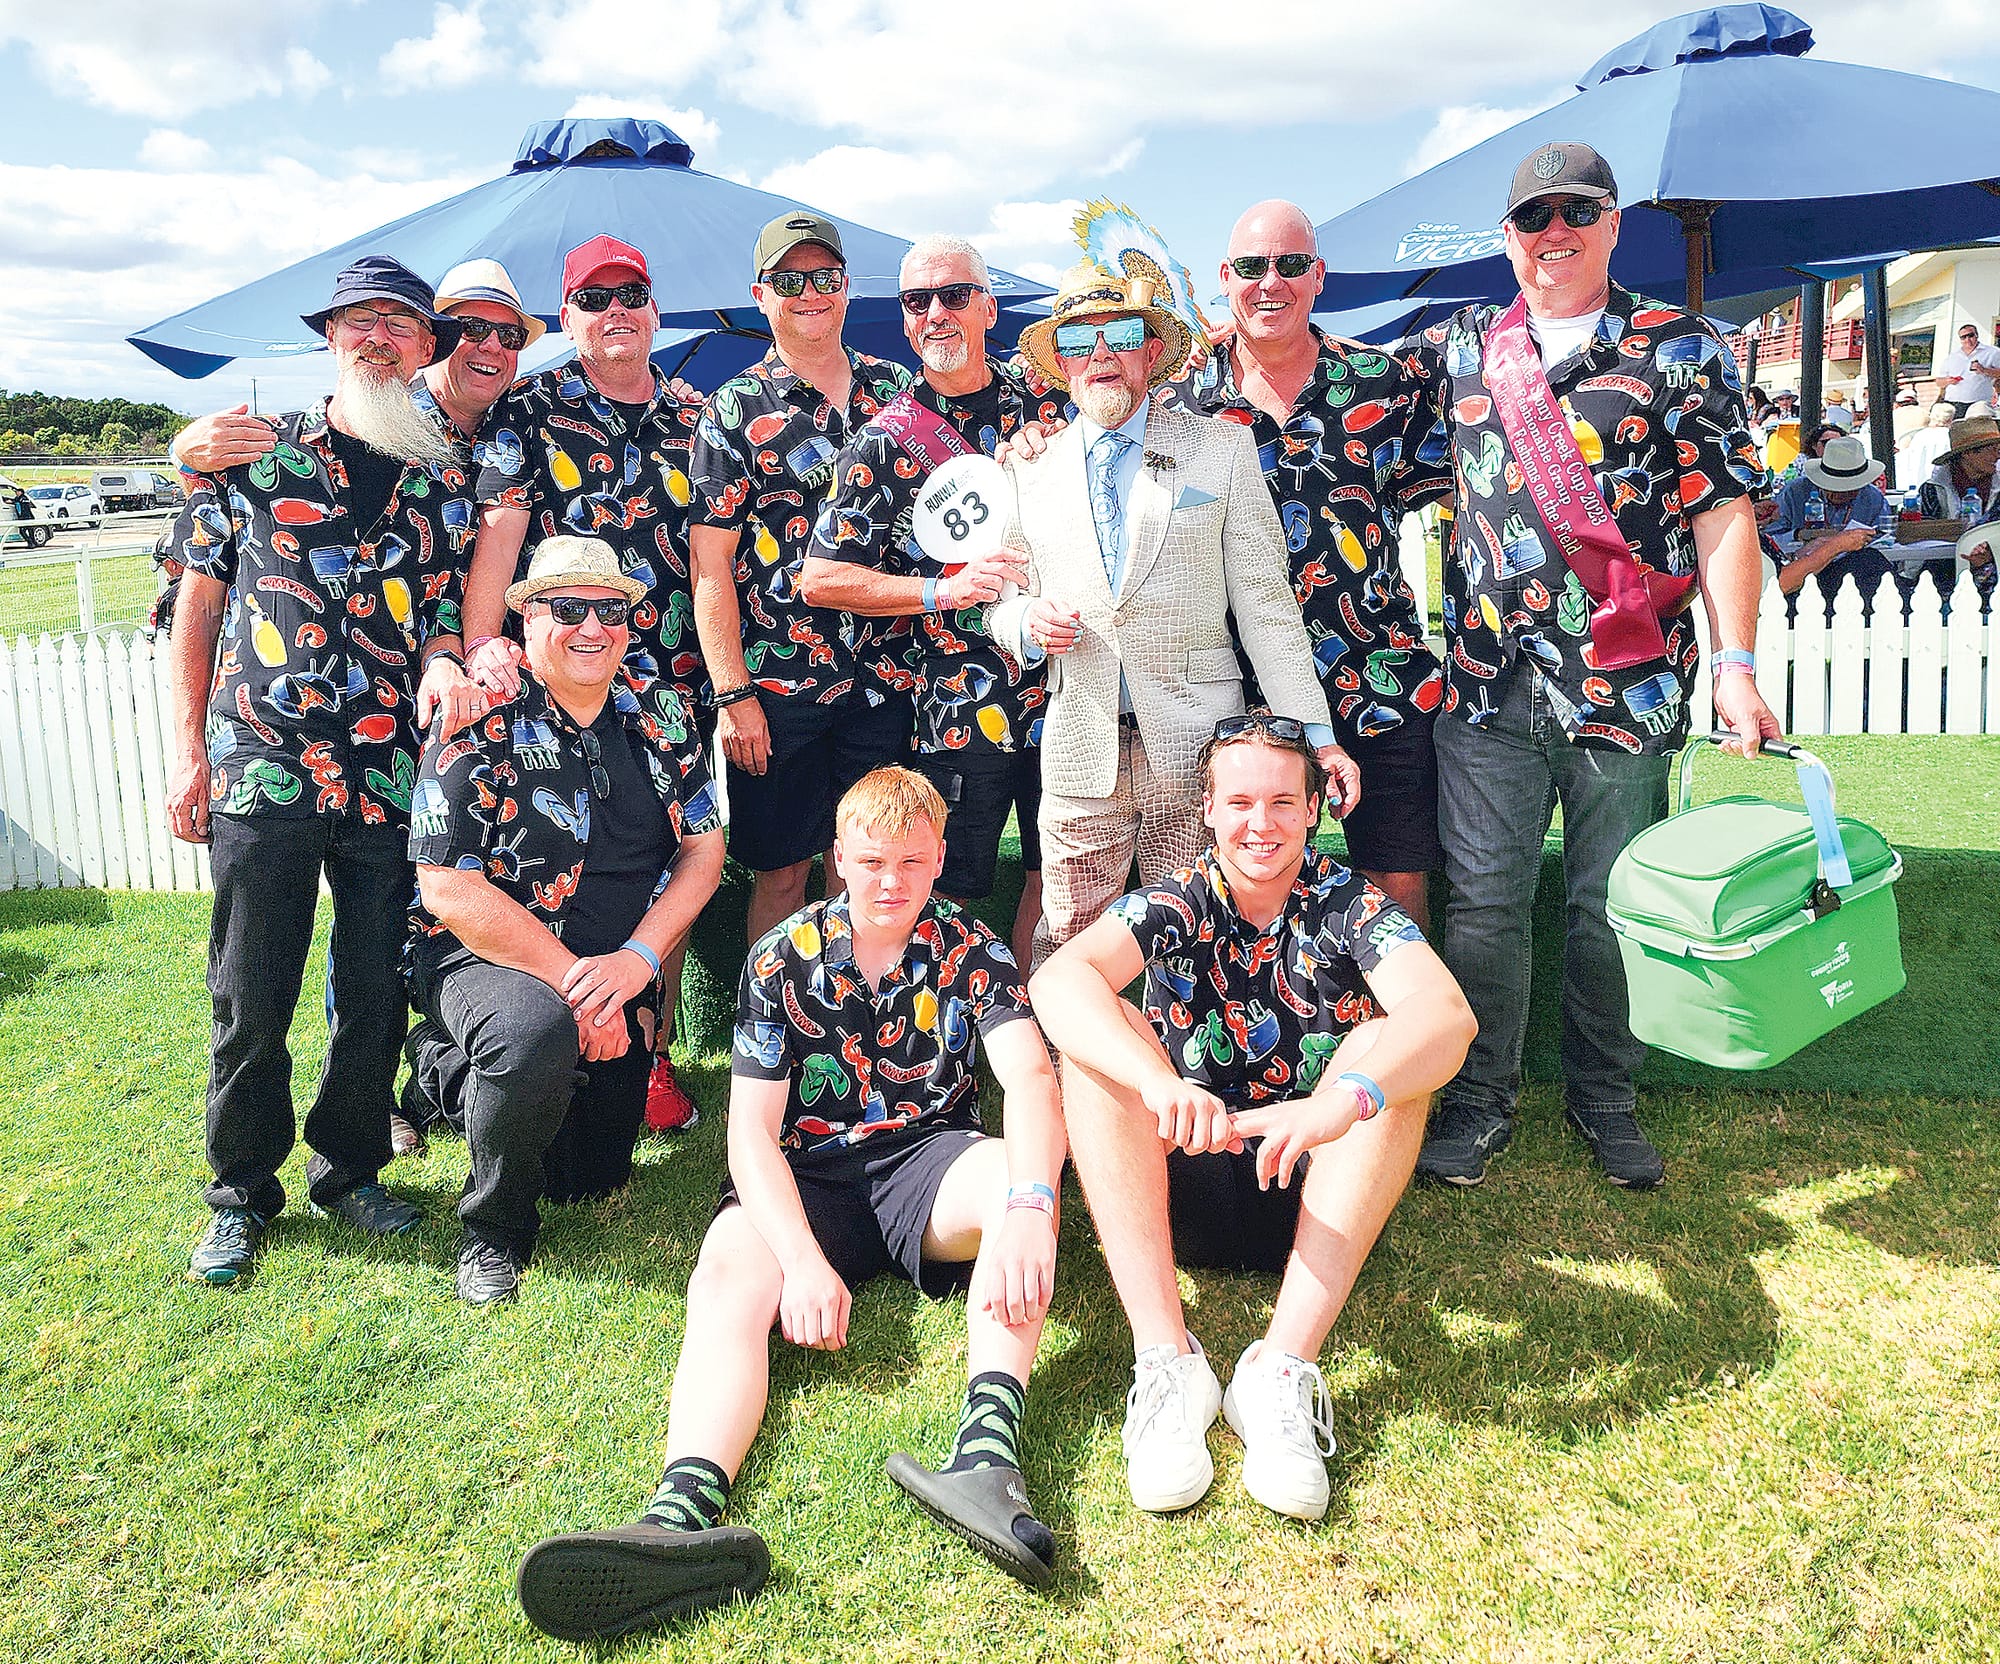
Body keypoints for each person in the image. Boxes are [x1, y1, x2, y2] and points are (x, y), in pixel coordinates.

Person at [514, 767, 1067, 1639]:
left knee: (1012, 1178)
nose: (892, 882)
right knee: (726, 1275)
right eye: (873, 861)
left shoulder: (973, 945)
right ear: (839, 856)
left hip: (927, 1162)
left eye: (912, 862)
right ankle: (679, 1516)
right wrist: (804, 1263)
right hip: (805, 1171)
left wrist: (1033, 1205)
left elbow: (1031, 1076)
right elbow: (750, 1137)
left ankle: (986, 1461)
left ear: (939, 859)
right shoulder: (782, 955)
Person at [1401, 142, 1777, 1191]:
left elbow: (1722, 511)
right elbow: (1332, 407)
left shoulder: (1682, 347)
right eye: (1533, 216)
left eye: (1576, 210)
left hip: (1629, 678)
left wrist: (1736, 663)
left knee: (1609, 904)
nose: (1553, 231)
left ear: (1614, 222)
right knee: (1483, 904)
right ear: (1506, 236)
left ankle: (1605, 1097)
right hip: (1484, 682)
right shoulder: (1458, 347)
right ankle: (1479, 1101)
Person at [1031, 718, 1473, 1520]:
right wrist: (1158, 1083)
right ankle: (1168, 1362)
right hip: (1182, 1182)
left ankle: (1280, 1371)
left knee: (1386, 1050)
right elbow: (1058, 982)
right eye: (1239, 802)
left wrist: (1341, 1100)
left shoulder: (1352, 904)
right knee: (1101, 1045)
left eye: (1281, 802)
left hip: (1314, 1196)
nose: (1259, 824)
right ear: (1207, 809)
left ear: (1313, 810)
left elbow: (1447, 1016)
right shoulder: (1176, 898)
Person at [168, 258, 545, 1155]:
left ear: (423, 347)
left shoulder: (443, 480)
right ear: (330, 337)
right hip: (264, 760)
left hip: (388, 768)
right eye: (360, 321)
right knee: (251, 993)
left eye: (399, 323)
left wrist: (447, 659)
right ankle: (241, 1186)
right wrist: (187, 752)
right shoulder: (255, 455)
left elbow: (443, 616)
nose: (379, 338)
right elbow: (198, 602)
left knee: (375, 991)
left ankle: (352, 1168)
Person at [984, 262, 1355, 966]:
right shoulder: (1026, 469)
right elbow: (1000, 600)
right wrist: (1025, 622)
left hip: (1197, 749)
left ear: (1152, 351)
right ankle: (1066, 1047)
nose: (1100, 355)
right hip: (1080, 745)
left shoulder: (1223, 449)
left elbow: (1268, 611)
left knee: (1197, 947)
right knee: (1067, 944)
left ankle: (1187, 1044)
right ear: (1059, 363)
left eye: (1121, 336)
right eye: (1078, 342)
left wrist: (1316, 735)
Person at [404, 537, 725, 1303]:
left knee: (588, 1175)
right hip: (479, 955)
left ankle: (445, 1075)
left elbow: (703, 852)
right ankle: (494, 1232)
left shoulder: (663, 712)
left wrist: (636, 963)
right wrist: (576, 987)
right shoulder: (479, 710)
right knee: (533, 1035)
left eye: (610, 611)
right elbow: (447, 888)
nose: (592, 627)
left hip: (612, 969)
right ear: (527, 620)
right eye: (568, 608)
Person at [462, 235, 715, 1132]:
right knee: (551, 868)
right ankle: (531, 1038)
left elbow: (715, 556)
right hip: (556, 691)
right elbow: (499, 540)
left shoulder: (696, 416)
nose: (616, 312)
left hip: (667, 693)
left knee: (665, 867)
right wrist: (480, 644)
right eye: (595, 298)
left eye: (631, 295)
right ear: (567, 317)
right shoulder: (527, 411)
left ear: (654, 311)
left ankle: (649, 1049)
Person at [1160, 199, 1454, 932]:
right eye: (1252, 267)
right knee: (1239, 880)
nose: (1271, 283)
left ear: (1318, 275)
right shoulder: (1178, 403)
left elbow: (1474, 487)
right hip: (1235, 686)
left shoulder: (1386, 384)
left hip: (1377, 673)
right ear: (1225, 278)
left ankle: (1400, 1008)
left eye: (1291, 265)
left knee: (1397, 877)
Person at [797, 235, 1065, 966]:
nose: (937, 313)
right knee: (947, 888)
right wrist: (941, 591)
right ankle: (944, 1025)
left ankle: (1039, 1025)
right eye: (918, 301)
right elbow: (822, 578)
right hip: (957, 705)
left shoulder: (1050, 403)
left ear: (989, 307)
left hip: (1070, 686)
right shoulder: (883, 441)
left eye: (954, 295)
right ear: (905, 319)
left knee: (1056, 879)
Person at [688, 213, 915, 948]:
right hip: (778, 689)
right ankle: (773, 1015)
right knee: (781, 874)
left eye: (824, 277)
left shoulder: (900, 390)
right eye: (789, 281)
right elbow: (710, 566)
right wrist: (733, 694)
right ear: (761, 295)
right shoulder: (731, 409)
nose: (809, 292)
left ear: (847, 288)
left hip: (888, 681)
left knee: (869, 868)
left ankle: (855, 1011)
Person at [1766, 434, 1897, 616]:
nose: (1841, 493)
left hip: (1855, 579)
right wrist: (1798, 534)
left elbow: (1883, 537)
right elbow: (1769, 538)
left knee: (1870, 563)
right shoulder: (1795, 492)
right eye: (1834, 487)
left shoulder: (1872, 497)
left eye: (1850, 489)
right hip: (1801, 577)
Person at [1914, 416, 2000, 605]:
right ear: (1967, 454)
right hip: (1944, 567)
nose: (1997, 456)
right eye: (1991, 449)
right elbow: (1928, 534)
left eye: (1998, 449)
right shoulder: (1933, 489)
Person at [1938, 323, 2000, 416]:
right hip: (1953, 403)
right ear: (1960, 339)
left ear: (1977, 335)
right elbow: (1938, 382)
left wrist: (1984, 370)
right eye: (1963, 337)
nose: (1967, 339)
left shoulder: (1992, 352)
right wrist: (1948, 381)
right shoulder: (1952, 357)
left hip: (1979, 404)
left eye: (1970, 335)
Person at [1898, 401, 1957, 477]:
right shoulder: (1951, 436)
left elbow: (1911, 462)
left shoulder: (1920, 436)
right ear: (1950, 419)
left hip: (1920, 480)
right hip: (1943, 480)